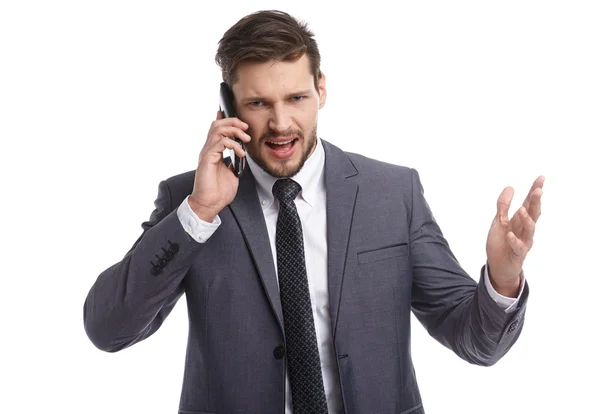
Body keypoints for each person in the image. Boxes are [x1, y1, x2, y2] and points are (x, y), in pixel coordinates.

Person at [83, 9, 544, 414]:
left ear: (321, 89)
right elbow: (108, 329)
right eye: (258, 103)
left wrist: (502, 282)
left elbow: (475, 341)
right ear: (227, 105)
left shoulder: (393, 193)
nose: (281, 124)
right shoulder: (189, 199)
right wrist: (199, 212)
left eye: (296, 98)